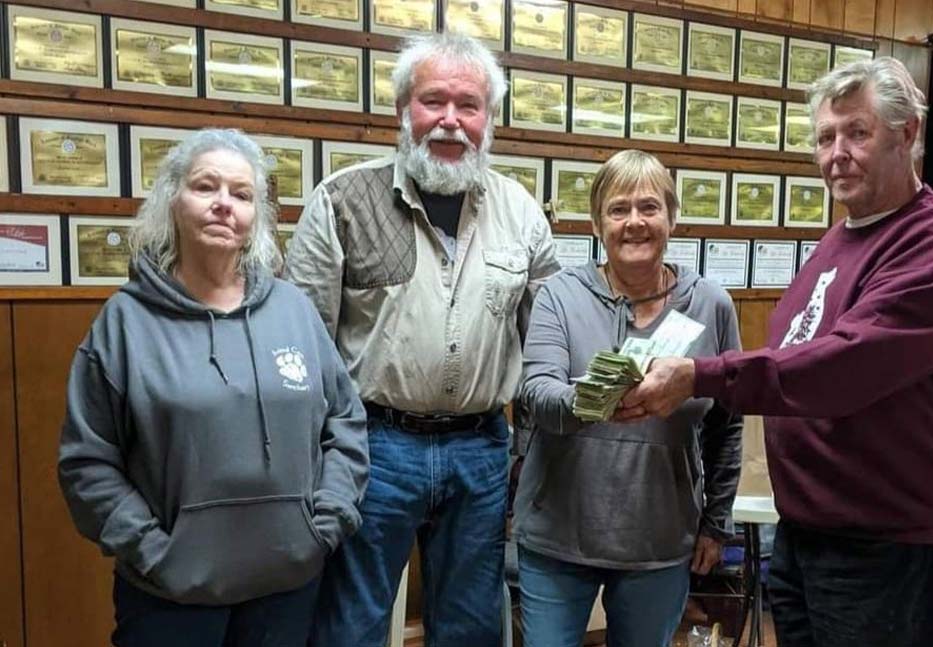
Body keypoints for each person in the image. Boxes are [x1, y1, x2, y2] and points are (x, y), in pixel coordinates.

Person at [619, 57, 933, 646]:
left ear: (907, 134)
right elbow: (797, 349)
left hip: (885, 549)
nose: (837, 154)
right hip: (806, 535)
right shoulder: (841, 238)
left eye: (857, 133)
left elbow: (840, 370)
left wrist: (699, 376)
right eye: (826, 138)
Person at [284, 32, 560, 647]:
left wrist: (529, 449)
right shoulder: (342, 201)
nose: (451, 120)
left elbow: (546, 340)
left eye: (469, 105)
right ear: (402, 110)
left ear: (490, 119)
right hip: (371, 446)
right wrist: (322, 458)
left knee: (469, 627)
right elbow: (301, 346)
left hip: (482, 448)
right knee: (350, 625)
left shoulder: (520, 211)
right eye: (433, 101)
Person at [57, 128, 370, 647]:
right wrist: (155, 552)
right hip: (170, 596)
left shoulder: (293, 310)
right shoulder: (125, 322)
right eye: (206, 187)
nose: (224, 204)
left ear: (256, 217)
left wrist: (325, 525)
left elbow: (345, 423)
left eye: (242, 194)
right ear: (172, 201)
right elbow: (87, 462)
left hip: (288, 587)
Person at [512, 149, 743, 647]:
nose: (634, 222)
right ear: (598, 224)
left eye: (649, 207)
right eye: (618, 210)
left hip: (659, 540)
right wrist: (599, 399)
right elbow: (538, 396)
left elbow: (727, 424)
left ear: (672, 218)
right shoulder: (559, 296)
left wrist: (716, 522)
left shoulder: (711, 305)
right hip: (558, 537)